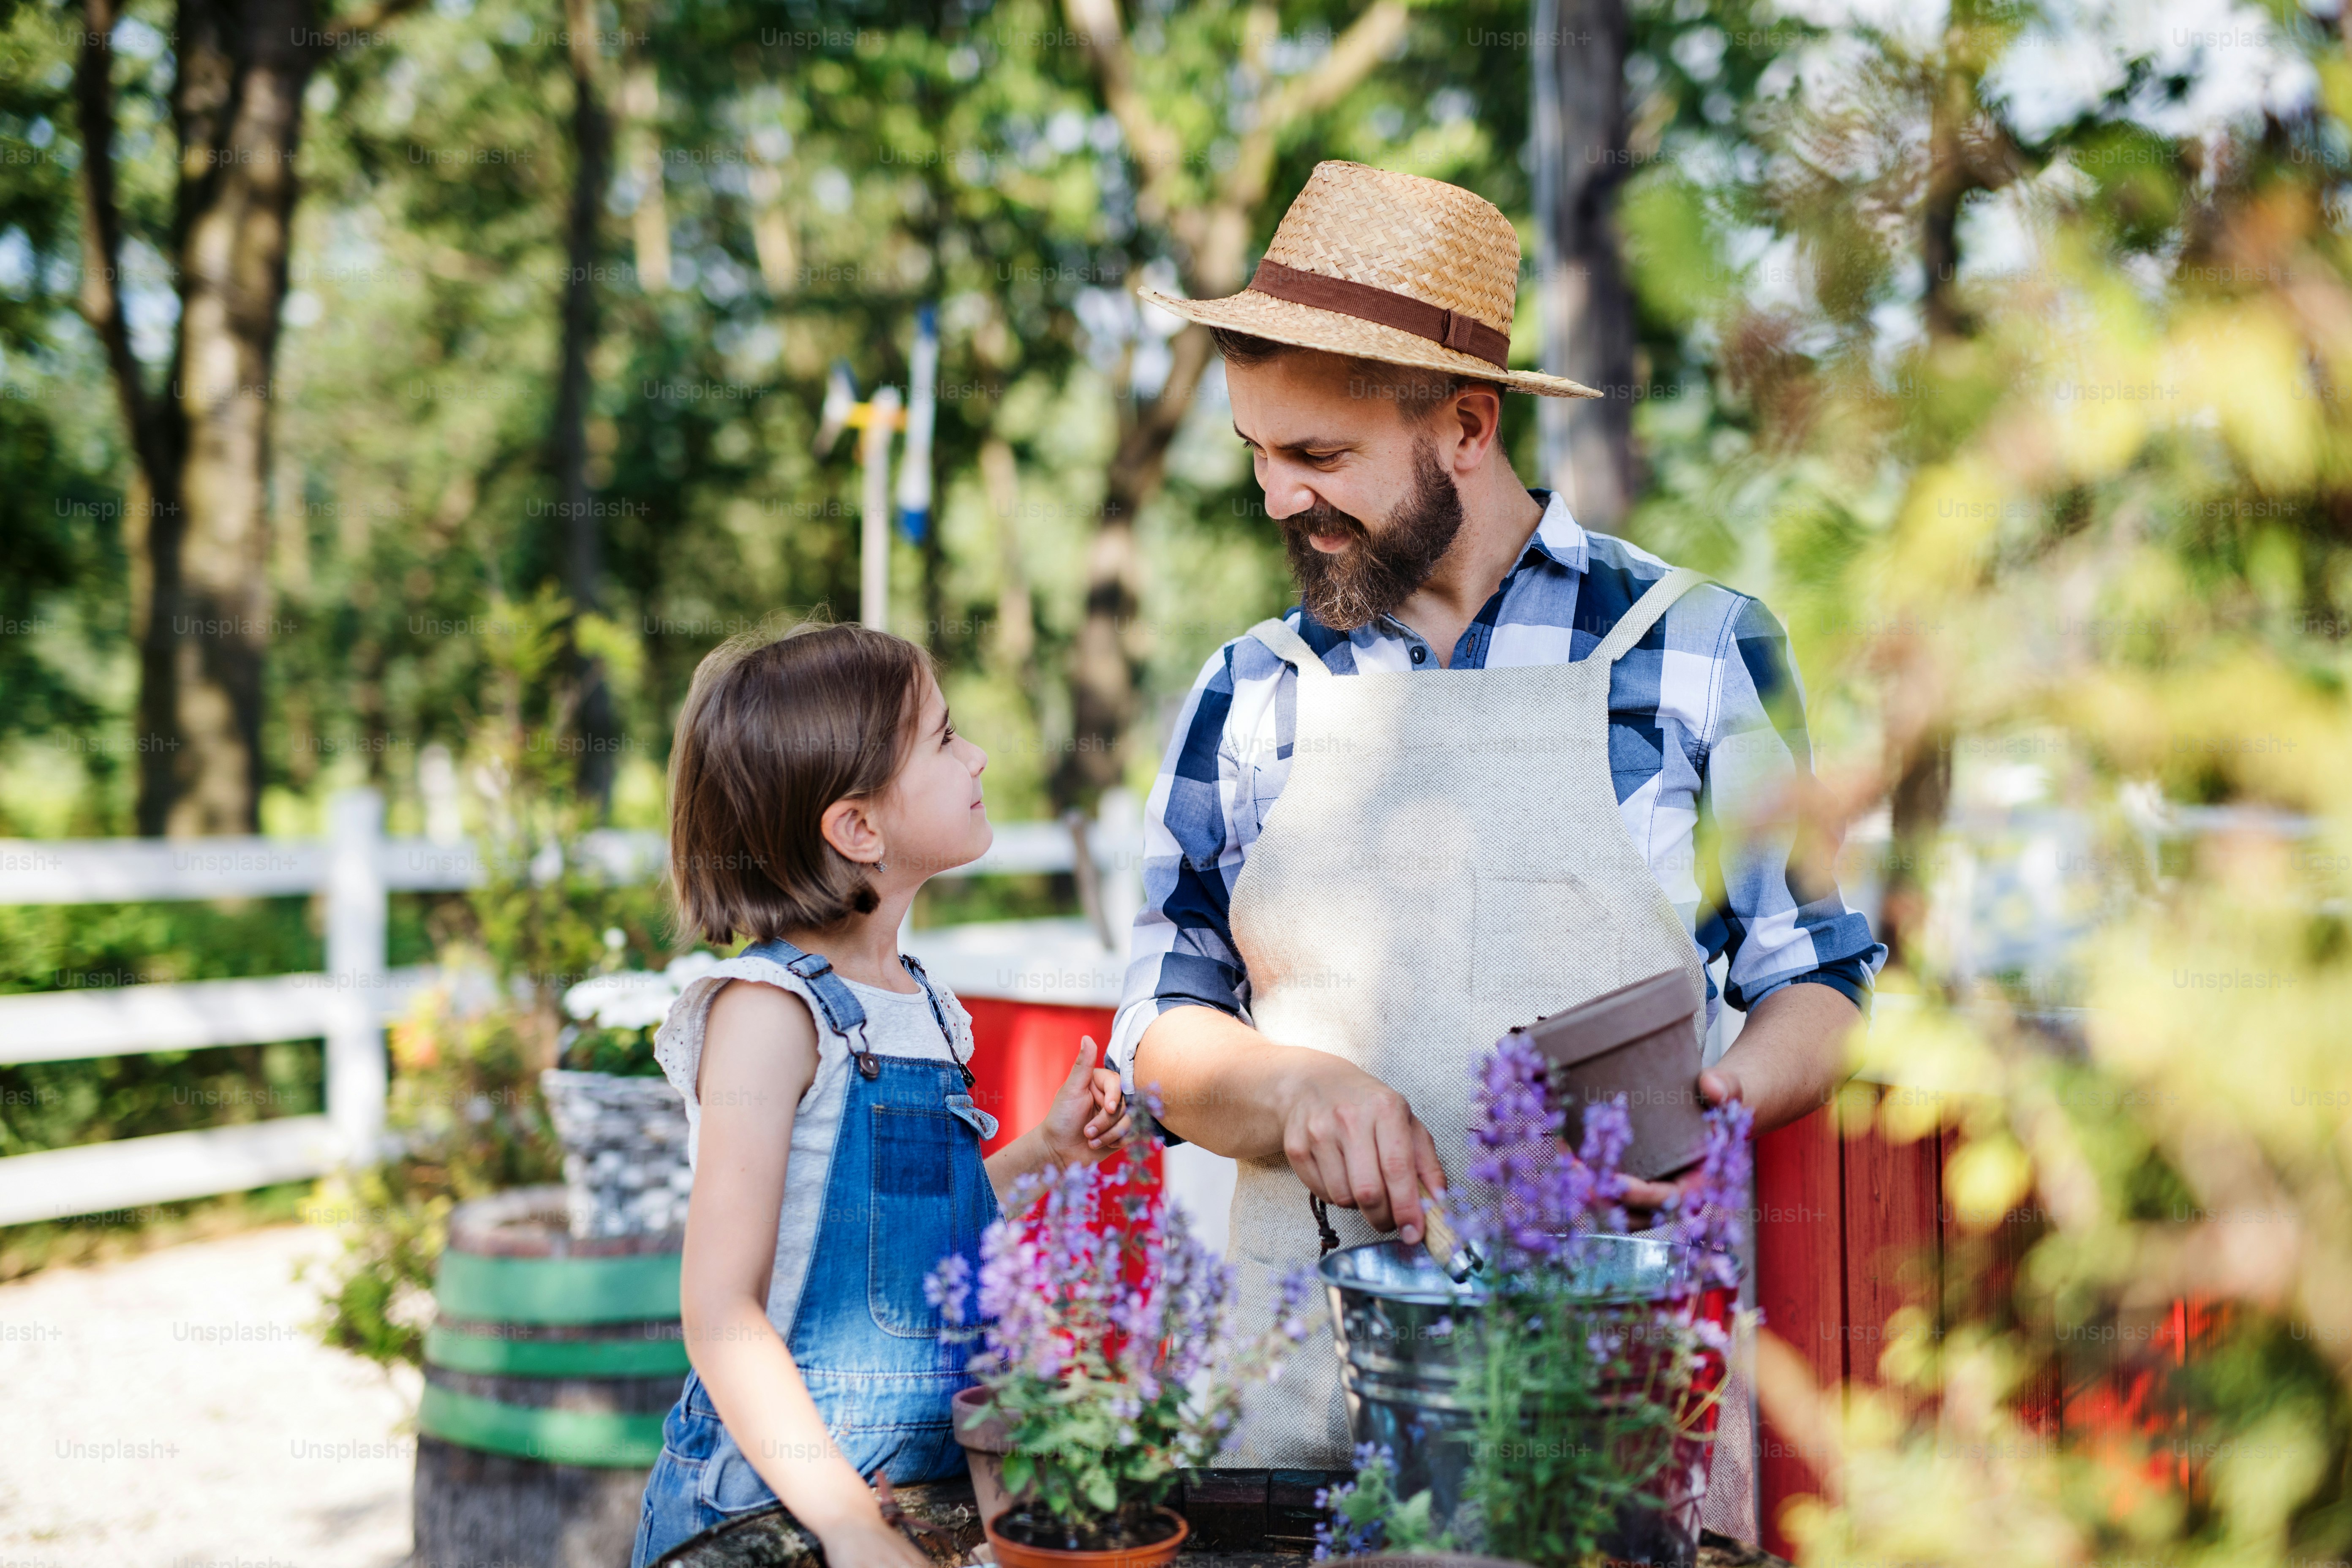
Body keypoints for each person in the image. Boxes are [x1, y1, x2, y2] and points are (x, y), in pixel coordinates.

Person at [1116, 162, 1885, 1533]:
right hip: (1296, 1415)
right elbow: (1161, 1037)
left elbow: (1816, 976)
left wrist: (1715, 1106)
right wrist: (1295, 1092)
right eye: (1256, 454)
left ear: (1466, 428)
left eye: (1318, 458)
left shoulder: (1699, 651)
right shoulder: (1252, 687)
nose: (1277, 499)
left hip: (1604, 1395)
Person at [632, 622, 1132, 1568]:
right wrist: (846, 1521)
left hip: (913, 1499)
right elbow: (720, 1308)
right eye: (946, 738)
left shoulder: (925, 1003)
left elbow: (898, 1226)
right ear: (858, 827)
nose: (977, 754)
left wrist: (1045, 1155)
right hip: (778, 1510)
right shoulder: (770, 1014)